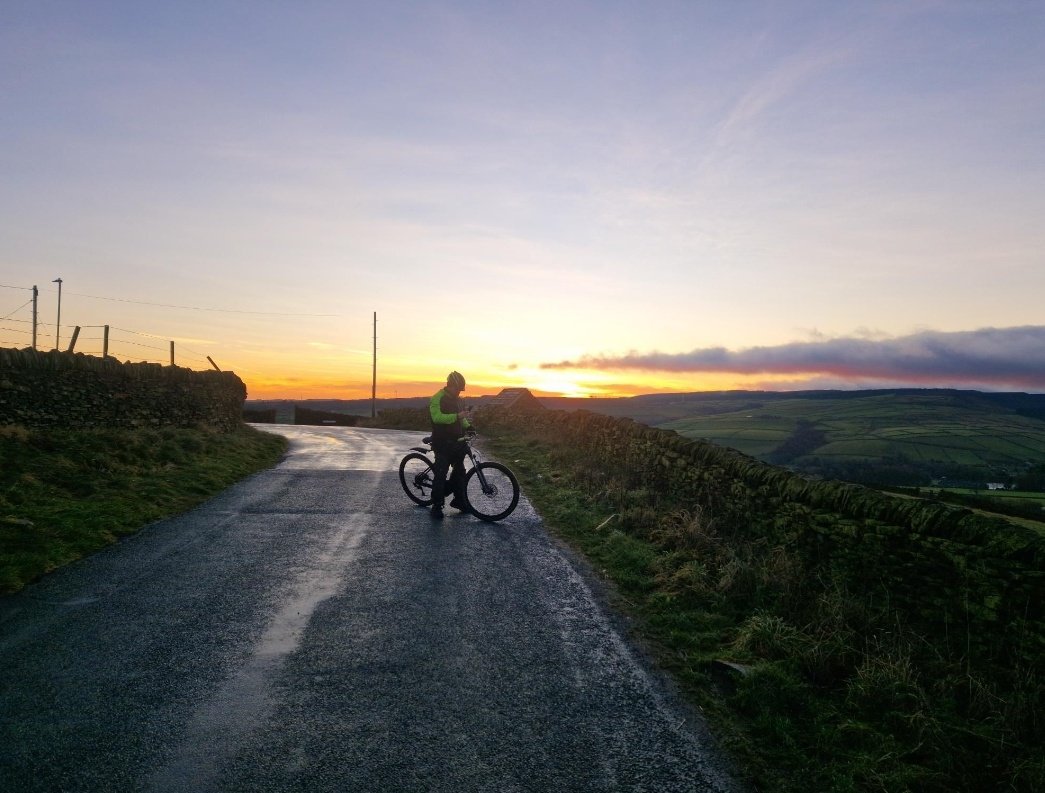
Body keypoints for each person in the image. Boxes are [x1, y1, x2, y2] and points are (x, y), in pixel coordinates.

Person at [428, 371, 472, 519]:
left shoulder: (459, 400)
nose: (459, 392)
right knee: (441, 473)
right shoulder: (437, 398)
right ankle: (436, 505)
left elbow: (462, 418)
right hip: (442, 442)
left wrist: (468, 426)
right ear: (450, 385)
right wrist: (457, 417)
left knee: (460, 472)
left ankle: (459, 501)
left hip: (457, 442)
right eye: (458, 389)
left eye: (461, 390)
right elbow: (437, 417)